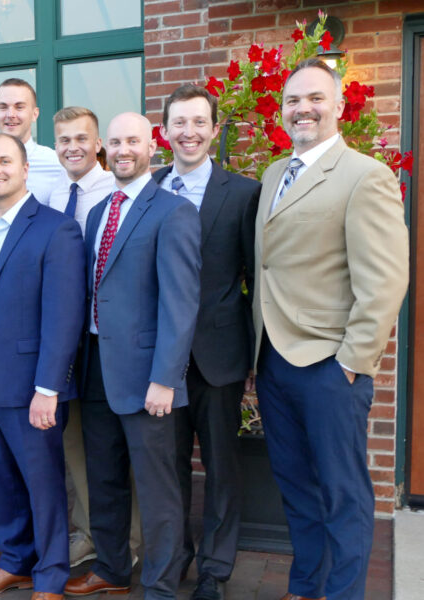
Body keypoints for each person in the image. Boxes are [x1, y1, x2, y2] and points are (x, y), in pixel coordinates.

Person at [253, 59, 408, 600]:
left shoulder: (365, 175)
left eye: (316, 98)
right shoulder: (274, 173)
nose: (303, 109)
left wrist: (351, 361)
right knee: (296, 489)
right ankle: (305, 587)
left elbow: (385, 280)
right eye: (293, 100)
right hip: (274, 362)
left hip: (328, 367)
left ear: (339, 106)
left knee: (343, 494)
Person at [65, 113, 201, 600]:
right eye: (117, 141)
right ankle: (111, 568)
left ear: (152, 145)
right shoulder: (101, 211)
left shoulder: (173, 211)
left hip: (148, 377)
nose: (124, 149)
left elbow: (180, 304)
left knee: (158, 489)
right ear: (107, 146)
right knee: (104, 478)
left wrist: (166, 377)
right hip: (97, 365)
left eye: (133, 141)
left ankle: (161, 586)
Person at [0, 133, 85, 600]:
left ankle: (50, 577)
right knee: (1, 479)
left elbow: (64, 316)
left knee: (43, 485)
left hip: (32, 385)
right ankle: (15, 563)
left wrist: (49, 387)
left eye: (4, 161)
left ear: (26, 168)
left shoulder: (55, 229)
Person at [153, 85, 261, 600]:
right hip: (160, 362)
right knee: (168, 468)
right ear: (165, 130)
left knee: (221, 467)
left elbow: (258, 279)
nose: (189, 132)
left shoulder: (242, 193)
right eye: (179, 122)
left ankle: (215, 572)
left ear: (215, 130)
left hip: (218, 355)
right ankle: (175, 558)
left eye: (199, 122)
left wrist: (258, 356)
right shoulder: (149, 188)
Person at [48, 106, 140, 569]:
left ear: (99, 142)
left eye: (82, 138)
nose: (73, 147)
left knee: (125, 446)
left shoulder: (119, 192)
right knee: (79, 443)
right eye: (64, 140)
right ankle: (90, 531)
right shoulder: (50, 194)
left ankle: (133, 541)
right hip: (71, 340)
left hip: (114, 342)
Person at [0, 78, 65, 213]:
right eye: (3, 107)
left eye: (19, 107)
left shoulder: (57, 164)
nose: (10, 114)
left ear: (34, 114)